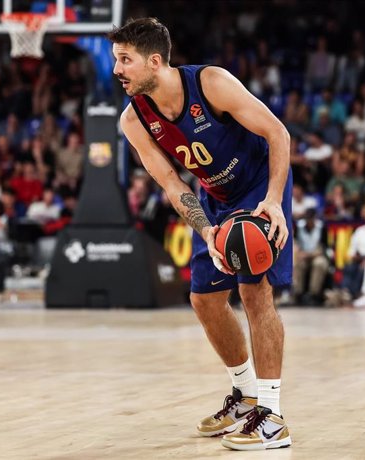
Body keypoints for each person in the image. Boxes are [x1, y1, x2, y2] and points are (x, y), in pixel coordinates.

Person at [110, 18, 293, 450]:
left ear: (155, 61)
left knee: (254, 294)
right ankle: (245, 395)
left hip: (257, 189)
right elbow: (173, 185)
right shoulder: (133, 120)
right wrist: (208, 230)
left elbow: (278, 133)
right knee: (204, 299)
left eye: (125, 60)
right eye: (115, 59)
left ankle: (273, 415)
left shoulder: (211, 83)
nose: (117, 70)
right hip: (212, 199)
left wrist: (274, 200)